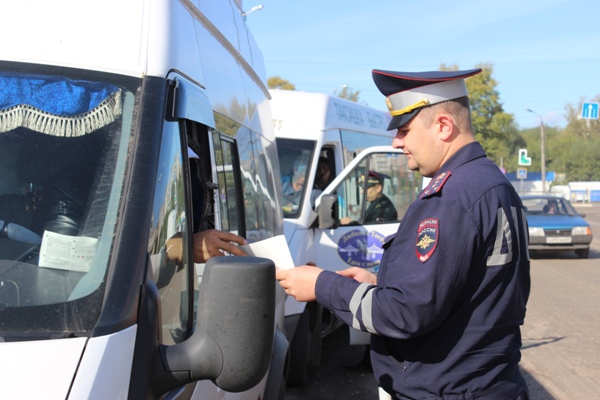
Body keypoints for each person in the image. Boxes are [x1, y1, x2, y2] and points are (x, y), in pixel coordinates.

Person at [276, 68, 531, 399]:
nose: (396, 142)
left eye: (405, 130)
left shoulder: (452, 196)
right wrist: (379, 285)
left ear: (443, 126)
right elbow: (461, 289)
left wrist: (321, 285)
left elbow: (406, 314)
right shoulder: (491, 184)